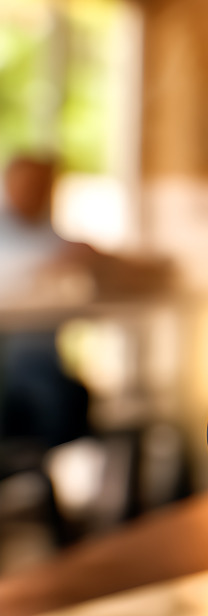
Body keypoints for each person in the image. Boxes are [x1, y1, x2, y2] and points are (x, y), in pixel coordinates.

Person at [0, 153, 97, 449]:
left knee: (73, 395)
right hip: (16, 370)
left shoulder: (48, 234)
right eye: (28, 184)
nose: (36, 193)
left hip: (44, 364)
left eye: (43, 185)